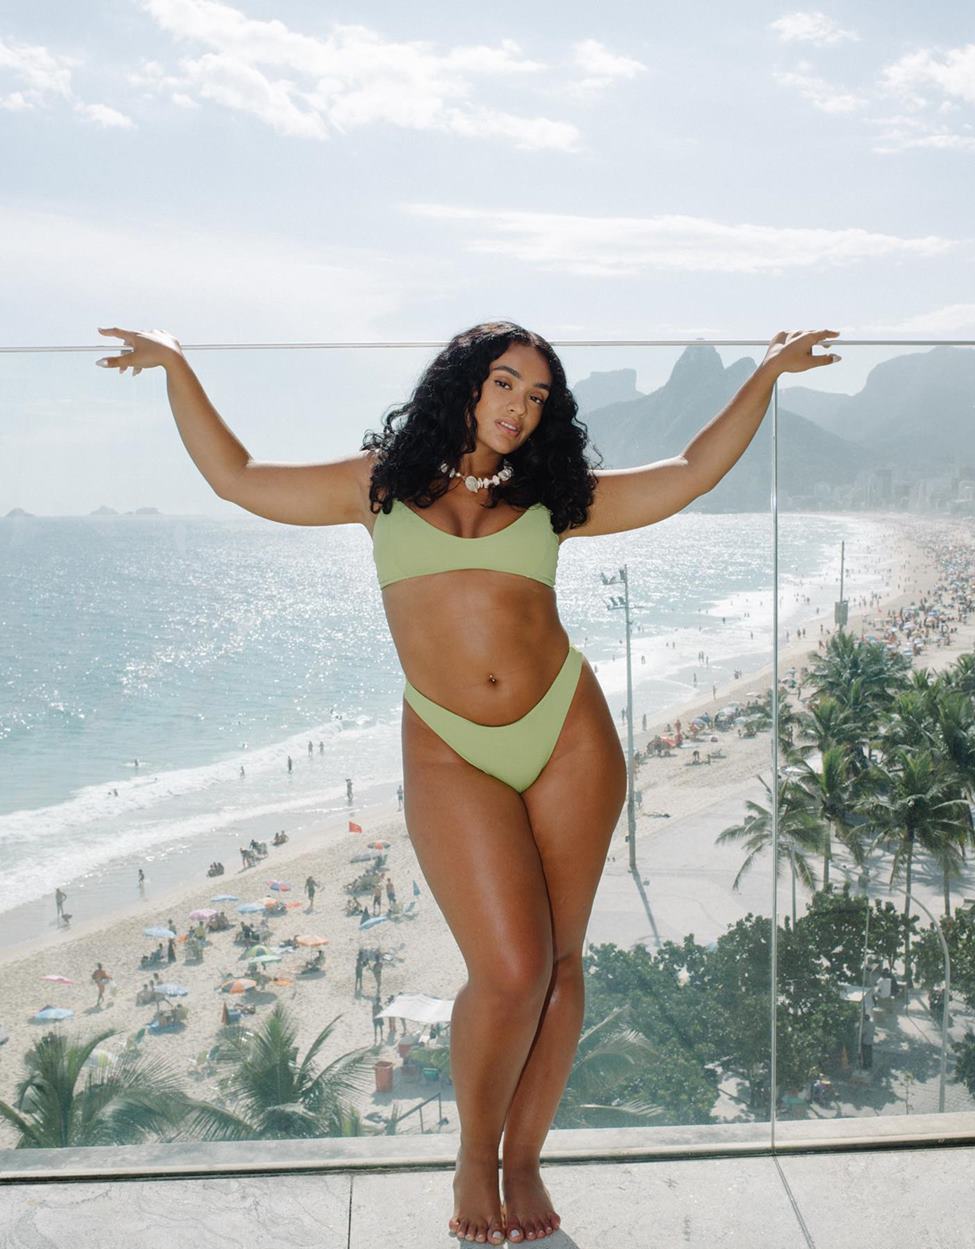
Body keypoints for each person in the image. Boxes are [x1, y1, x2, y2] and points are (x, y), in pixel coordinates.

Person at [98, 317, 839, 1244]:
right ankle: (471, 1152)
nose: (518, 408)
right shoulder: (380, 485)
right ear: (464, 383)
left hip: (566, 730)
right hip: (450, 745)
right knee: (512, 968)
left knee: (563, 966)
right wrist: (177, 367)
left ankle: (523, 1157)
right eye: (504, 383)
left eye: (537, 396)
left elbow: (688, 473)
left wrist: (766, 374)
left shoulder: (550, 496)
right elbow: (239, 478)